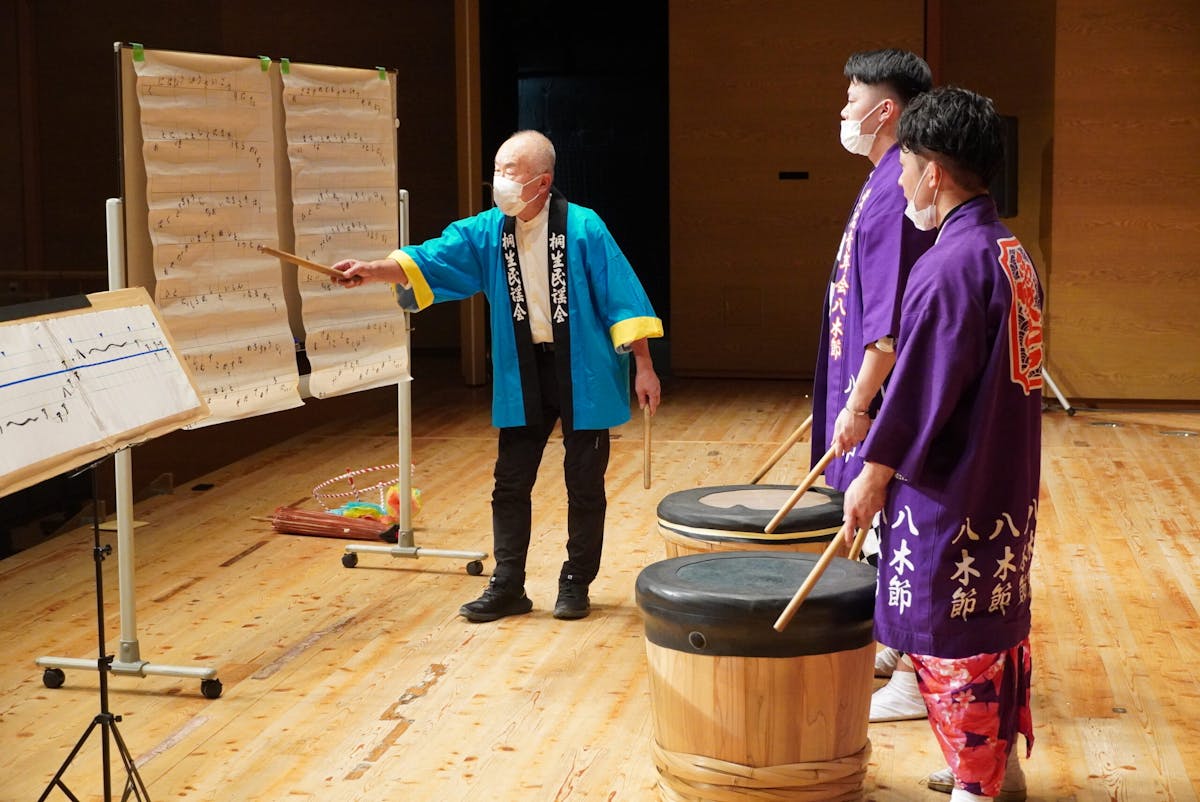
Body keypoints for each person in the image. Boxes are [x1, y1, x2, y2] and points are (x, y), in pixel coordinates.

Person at [333, 130, 663, 623]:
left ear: (543, 182)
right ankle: (509, 584)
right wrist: (373, 270)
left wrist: (644, 366)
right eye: (498, 171)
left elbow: (623, 297)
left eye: (511, 174)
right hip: (524, 371)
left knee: (585, 485)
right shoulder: (488, 231)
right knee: (509, 483)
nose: (500, 182)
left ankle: (575, 583)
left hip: (584, 371)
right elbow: (432, 257)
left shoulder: (584, 228)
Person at [839, 86, 1043, 802]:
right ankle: (990, 770)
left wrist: (874, 473)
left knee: (952, 632)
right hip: (1003, 475)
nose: (898, 180)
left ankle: (977, 785)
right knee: (993, 616)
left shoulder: (949, 266)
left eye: (905, 166)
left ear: (932, 173)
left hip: (955, 483)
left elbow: (925, 391)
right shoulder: (1010, 251)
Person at [809, 48, 936, 722]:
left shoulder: (895, 186)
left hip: (885, 397)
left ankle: (918, 677)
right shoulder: (882, 177)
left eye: (850, 99)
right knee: (880, 528)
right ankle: (893, 645)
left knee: (897, 523)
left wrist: (859, 404)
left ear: (886, 110)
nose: (842, 112)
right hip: (865, 390)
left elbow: (884, 325)